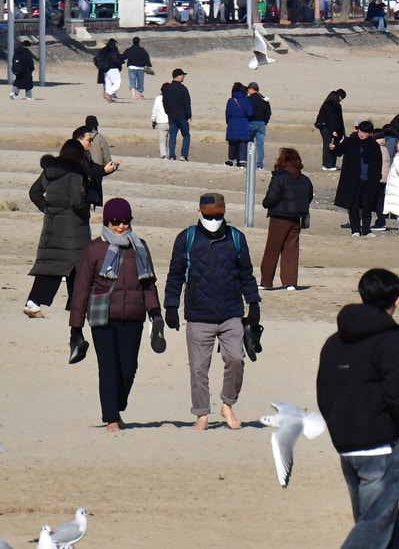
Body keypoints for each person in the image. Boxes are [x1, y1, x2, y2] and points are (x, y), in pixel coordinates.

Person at [317, 268, 399, 549]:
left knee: (385, 527)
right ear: (397, 301)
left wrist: (338, 428)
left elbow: (324, 392)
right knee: (373, 525)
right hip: (382, 447)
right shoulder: (393, 341)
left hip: (348, 445)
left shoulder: (334, 342)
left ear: (361, 297)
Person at [164, 192, 260, 430]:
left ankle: (227, 404)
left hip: (231, 313)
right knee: (198, 369)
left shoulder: (236, 238)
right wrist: (171, 305)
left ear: (224, 213)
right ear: (199, 212)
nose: (214, 219)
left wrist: (254, 303)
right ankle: (201, 414)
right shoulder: (186, 238)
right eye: (209, 215)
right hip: (198, 314)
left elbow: (246, 274)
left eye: (218, 215)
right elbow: (175, 274)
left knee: (236, 359)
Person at [69, 197, 163, 430]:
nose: (120, 226)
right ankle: (111, 416)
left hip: (133, 315)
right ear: (106, 222)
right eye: (115, 222)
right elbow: (81, 288)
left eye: (125, 221)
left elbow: (148, 283)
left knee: (129, 367)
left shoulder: (139, 246)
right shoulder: (93, 249)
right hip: (102, 317)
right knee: (108, 367)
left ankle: (117, 405)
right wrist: (76, 327)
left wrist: (155, 312)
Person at [23, 139, 92, 319]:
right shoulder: (75, 174)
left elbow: (34, 193)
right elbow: (78, 201)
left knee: (51, 266)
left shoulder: (50, 172)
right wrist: (86, 213)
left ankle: (34, 302)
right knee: (78, 266)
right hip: (73, 228)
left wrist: (48, 209)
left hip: (52, 226)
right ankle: (79, 307)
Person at [260, 147, 313, 290]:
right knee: (291, 250)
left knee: (272, 249)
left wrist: (265, 204)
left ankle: (266, 282)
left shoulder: (279, 177)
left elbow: (272, 197)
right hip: (296, 218)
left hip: (279, 217)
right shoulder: (305, 179)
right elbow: (309, 197)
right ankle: (290, 282)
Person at [331, 121, 384, 237]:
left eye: (365, 132)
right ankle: (355, 229)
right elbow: (339, 150)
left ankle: (366, 230)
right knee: (353, 205)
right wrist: (333, 148)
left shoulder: (374, 146)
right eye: (360, 131)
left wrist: (377, 178)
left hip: (369, 180)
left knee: (367, 206)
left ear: (370, 133)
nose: (362, 134)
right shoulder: (351, 142)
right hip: (352, 180)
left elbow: (378, 163)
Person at [75, 123, 119, 209]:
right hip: (77, 202)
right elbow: (87, 173)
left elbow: (92, 167)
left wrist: (109, 167)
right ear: (79, 140)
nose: (91, 142)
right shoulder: (75, 156)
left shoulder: (86, 155)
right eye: (89, 140)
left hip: (84, 200)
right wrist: (104, 169)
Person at [163, 69, 193, 161]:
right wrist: (189, 116)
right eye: (183, 75)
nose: (183, 77)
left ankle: (172, 155)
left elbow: (165, 103)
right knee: (186, 136)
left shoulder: (167, 88)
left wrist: (168, 112)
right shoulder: (183, 89)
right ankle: (183, 155)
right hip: (182, 116)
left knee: (172, 136)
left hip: (172, 116)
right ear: (179, 76)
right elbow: (187, 103)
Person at [315, 88, 347, 171]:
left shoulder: (335, 106)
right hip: (327, 129)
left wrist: (342, 132)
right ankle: (327, 164)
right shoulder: (329, 106)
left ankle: (332, 164)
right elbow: (330, 119)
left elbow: (339, 120)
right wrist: (333, 131)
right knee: (328, 145)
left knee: (334, 145)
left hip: (333, 129)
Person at [224, 82, 253, 167]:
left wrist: (229, 122)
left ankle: (231, 160)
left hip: (232, 123)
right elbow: (250, 113)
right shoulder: (246, 101)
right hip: (243, 123)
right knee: (243, 143)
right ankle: (242, 161)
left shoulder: (231, 101)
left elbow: (228, 113)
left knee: (232, 143)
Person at [243, 82, 271, 170]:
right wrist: (265, 121)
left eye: (248, 89)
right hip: (261, 123)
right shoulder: (264, 99)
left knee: (249, 143)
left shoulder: (249, 99)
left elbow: (246, 111)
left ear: (252, 89)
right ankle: (259, 164)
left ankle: (247, 162)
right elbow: (268, 112)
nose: (248, 91)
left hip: (251, 122)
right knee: (260, 145)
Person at [97, 38, 122, 103]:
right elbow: (115, 59)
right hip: (113, 68)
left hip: (105, 69)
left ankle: (110, 98)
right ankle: (107, 93)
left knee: (108, 83)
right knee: (117, 83)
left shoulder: (103, 50)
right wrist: (121, 60)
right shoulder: (113, 50)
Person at [151, 83, 170, 158]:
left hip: (161, 122)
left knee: (162, 141)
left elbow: (155, 110)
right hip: (171, 121)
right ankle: (170, 156)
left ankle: (164, 155)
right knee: (170, 141)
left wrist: (153, 120)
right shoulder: (172, 98)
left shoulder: (158, 98)